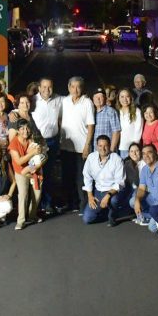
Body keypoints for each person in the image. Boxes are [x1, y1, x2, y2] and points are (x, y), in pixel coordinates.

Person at [59, 76, 95, 213]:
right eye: (73, 86)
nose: (75, 89)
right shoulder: (64, 101)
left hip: (81, 148)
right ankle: (70, 203)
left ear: (82, 88)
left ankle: (83, 205)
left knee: (82, 178)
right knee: (68, 176)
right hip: (66, 146)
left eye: (78, 86)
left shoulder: (87, 103)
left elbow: (91, 125)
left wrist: (87, 146)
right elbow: (60, 119)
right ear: (69, 87)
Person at [31, 77, 62, 213]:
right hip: (37, 143)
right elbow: (20, 109)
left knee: (49, 173)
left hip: (52, 141)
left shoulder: (58, 100)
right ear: (39, 88)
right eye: (44, 87)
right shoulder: (33, 101)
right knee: (36, 172)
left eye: (49, 87)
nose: (46, 90)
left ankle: (47, 203)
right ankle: (36, 203)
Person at [8, 119, 45, 230]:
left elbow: (40, 154)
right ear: (18, 131)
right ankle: (21, 220)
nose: (25, 131)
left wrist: (35, 165)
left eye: (27, 128)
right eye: (22, 128)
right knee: (23, 194)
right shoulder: (14, 143)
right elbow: (19, 161)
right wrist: (32, 153)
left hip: (34, 169)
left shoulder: (32, 138)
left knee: (37, 194)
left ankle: (32, 216)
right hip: (20, 171)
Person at [81, 135, 125, 226]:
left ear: (109, 146)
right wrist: (90, 196)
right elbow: (87, 177)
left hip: (113, 192)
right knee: (87, 219)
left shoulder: (117, 159)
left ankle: (113, 216)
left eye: (105, 146)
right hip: (98, 192)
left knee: (114, 201)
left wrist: (108, 195)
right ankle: (106, 212)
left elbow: (120, 182)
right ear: (97, 146)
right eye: (100, 146)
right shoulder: (91, 157)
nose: (103, 148)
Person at [133, 144, 158, 227]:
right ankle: (152, 216)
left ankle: (155, 217)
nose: (146, 156)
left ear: (155, 153)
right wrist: (137, 200)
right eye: (144, 154)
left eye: (149, 153)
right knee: (133, 201)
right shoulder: (145, 169)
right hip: (153, 199)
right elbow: (141, 188)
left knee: (152, 228)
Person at [116, 87, 143, 158]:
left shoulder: (136, 111)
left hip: (130, 148)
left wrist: (134, 148)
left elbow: (138, 130)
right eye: (122, 97)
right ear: (118, 98)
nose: (125, 99)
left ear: (131, 98)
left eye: (127, 96)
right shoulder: (117, 111)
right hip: (117, 147)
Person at [92, 88, 121, 152]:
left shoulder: (111, 111)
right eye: (96, 97)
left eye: (101, 97)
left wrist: (112, 149)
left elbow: (116, 131)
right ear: (93, 99)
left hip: (108, 149)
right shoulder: (92, 112)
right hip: (95, 149)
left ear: (105, 98)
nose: (98, 99)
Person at [117, 142, 144, 211]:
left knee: (132, 201)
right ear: (129, 153)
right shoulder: (127, 163)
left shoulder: (144, 163)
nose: (134, 153)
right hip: (131, 188)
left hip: (142, 189)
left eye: (137, 151)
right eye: (132, 151)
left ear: (140, 152)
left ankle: (144, 214)